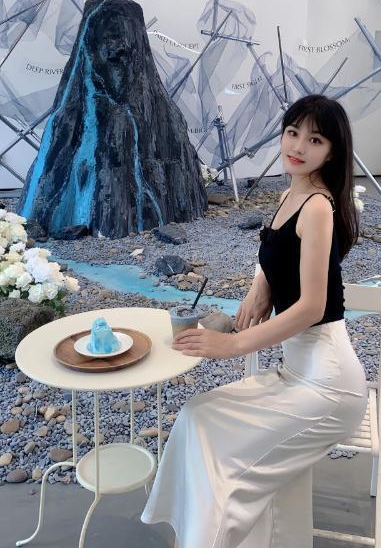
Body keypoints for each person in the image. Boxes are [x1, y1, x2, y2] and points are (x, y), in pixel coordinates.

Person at [141, 93, 368, 548]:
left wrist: (233, 345)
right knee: (197, 416)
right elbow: (279, 252)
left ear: (332, 152)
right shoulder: (290, 195)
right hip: (296, 371)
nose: (298, 146)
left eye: (315, 139)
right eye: (292, 132)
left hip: (328, 385)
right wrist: (259, 286)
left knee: (225, 463)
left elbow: (312, 306)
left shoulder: (318, 206)